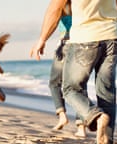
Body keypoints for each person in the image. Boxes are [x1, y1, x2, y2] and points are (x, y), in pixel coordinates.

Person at [30, 0, 117, 143]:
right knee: (106, 92)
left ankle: (95, 115)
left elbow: (55, 8)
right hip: (112, 37)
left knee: (70, 88)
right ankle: (106, 140)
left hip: (85, 37)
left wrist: (42, 39)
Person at [48, 0, 86, 138]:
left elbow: (51, 21)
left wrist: (42, 40)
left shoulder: (61, 7)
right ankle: (81, 128)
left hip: (65, 46)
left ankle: (62, 115)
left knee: (54, 83)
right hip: (82, 47)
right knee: (80, 86)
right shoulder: (82, 7)